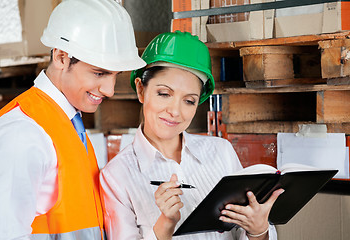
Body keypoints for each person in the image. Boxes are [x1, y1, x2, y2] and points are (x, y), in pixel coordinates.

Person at [99, 30, 284, 240]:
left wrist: (258, 230)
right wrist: (164, 225)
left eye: (189, 101)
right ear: (141, 90)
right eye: (164, 94)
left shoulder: (220, 152)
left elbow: (246, 231)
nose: (175, 111)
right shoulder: (116, 176)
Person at [0, 0, 145, 239]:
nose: (110, 89)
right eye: (99, 73)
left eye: (115, 75)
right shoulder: (23, 133)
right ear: (61, 57)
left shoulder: (68, 124)